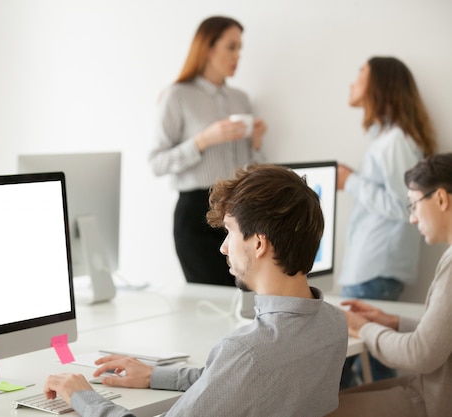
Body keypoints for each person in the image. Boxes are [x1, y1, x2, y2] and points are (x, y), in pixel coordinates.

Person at [43, 164, 347, 417]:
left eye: (230, 231)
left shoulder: (247, 351)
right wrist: (155, 375)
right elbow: (234, 381)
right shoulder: (334, 324)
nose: (223, 246)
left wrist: (83, 397)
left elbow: (241, 370)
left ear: (258, 242)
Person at [337, 56, 437, 387]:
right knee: (369, 365)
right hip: (375, 265)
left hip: (374, 267)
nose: (352, 82)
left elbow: (404, 206)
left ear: (379, 85)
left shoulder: (395, 142)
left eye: (360, 74)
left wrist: (350, 180)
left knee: (358, 363)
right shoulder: (386, 137)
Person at [328, 153, 452, 417]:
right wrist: (393, 322)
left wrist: (362, 327)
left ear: (441, 199)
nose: (413, 219)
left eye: (414, 205)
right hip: (431, 388)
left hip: (435, 402)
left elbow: (422, 354)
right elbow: (441, 339)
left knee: (322, 410)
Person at [148, 16, 268, 287]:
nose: (237, 55)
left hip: (240, 211)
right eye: (231, 47)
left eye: (240, 48)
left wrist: (257, 144)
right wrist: (203, 140)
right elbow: (156, 162)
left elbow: (252, 170)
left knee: (244, 297)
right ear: (208, 48)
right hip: (196, 215)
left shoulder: (241, 99)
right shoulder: (177, 96)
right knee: (209, 300)